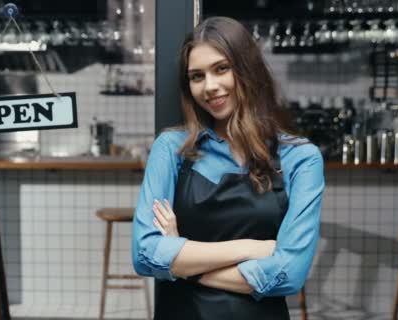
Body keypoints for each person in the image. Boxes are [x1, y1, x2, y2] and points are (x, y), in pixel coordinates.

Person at [131, 16, 325, 319]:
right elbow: (146, 255)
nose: (210, 86)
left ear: (247, 69)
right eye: (197, 76)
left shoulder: (301, 158)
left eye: (222, 69)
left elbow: (290, 273)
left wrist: (183, 262)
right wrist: (252, 248)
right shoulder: (172, 148)